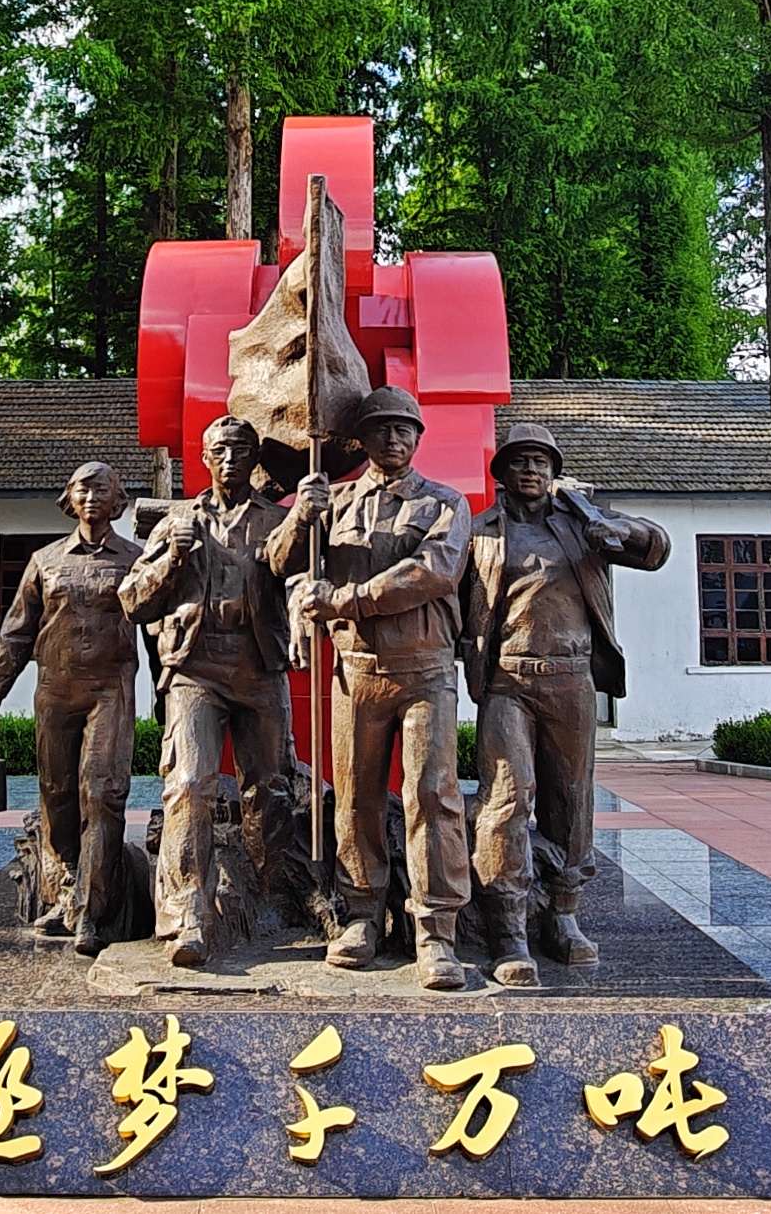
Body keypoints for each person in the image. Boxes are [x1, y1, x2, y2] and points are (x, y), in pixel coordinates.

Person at [267, 383, 475, 989]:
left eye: (403, 428)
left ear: (417, 438)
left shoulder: (444, 504)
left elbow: (433, 572)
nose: (393, 438)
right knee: (355, 798)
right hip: (354, 671)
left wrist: (347, 599)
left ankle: (436, 931)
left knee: (432, 796)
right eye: (381, 428)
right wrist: (299, 518)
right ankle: (360, 915)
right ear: (361, 439)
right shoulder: (331, 501)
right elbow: (282, 565)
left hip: (425, 670)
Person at [460, 415, 670, 988]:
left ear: (554, 473)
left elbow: (656, 549)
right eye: (520, 462)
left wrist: (602, 519)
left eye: (541, 463)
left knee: (571, 799)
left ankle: (564, 913)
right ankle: (507, 928)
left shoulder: (583, 527)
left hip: (571, 677)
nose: (530, 470)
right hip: (507, 679)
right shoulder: (480, 531)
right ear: (500, 473)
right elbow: (445, 600)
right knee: (506, 796)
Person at [119, 412, 307, 967]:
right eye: (220, 450)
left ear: (255, 459)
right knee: (190, 783)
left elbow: (299, 578)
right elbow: (134, 601)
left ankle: (272, 894)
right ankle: (188, 915)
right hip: (196, 667)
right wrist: (172, 558)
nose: (231, 460)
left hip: (259, 666)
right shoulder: (178, 523)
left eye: (242, 450)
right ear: (203, 458)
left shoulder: (276, 521)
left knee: (270, 788)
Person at [0, 461, 144, 953]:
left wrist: (174, 692)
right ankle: (66, 892)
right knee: (58, 796)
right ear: (69, 499)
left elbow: (159, 630)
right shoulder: (45, 561)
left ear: (119, 501)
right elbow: (16, 633)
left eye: (102, 490)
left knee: (104, 793)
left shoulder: (136, 559)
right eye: (81, 489)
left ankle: (95, 912)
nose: (91, 498)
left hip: (110, 689)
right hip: (54, 690)